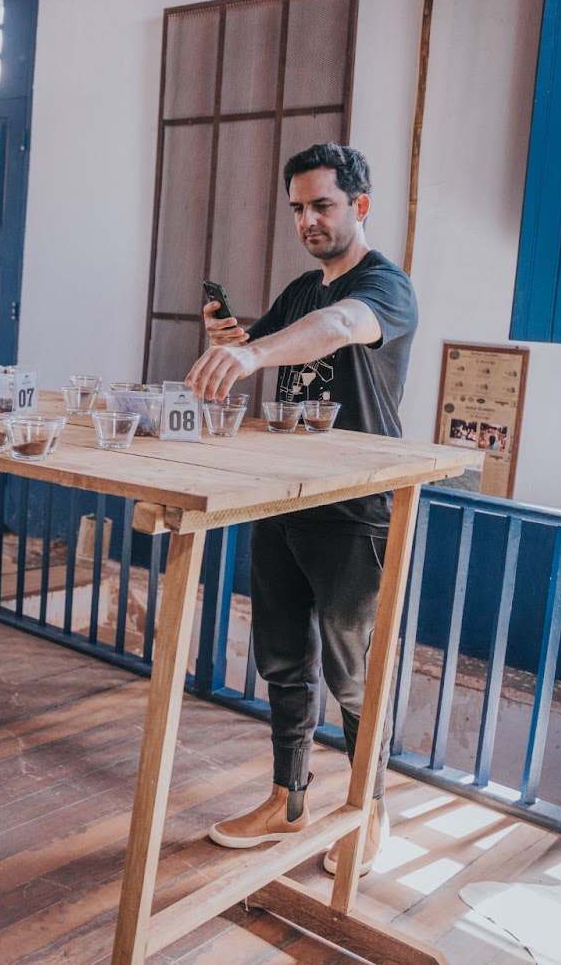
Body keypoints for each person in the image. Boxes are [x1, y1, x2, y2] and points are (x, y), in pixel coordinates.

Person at [185, 143, 419, 877]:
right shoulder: (300, 290)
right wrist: (236, 341)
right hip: (281, 494)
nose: (309, 220)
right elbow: (271, 341)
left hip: (355, 509)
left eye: (323, 205)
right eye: (298, 208)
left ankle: (367, 808)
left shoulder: (385, 288)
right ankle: (288, 801)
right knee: (283, 658)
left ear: (361, 206)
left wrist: (253, 358)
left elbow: (344, 326)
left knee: (355, 676)